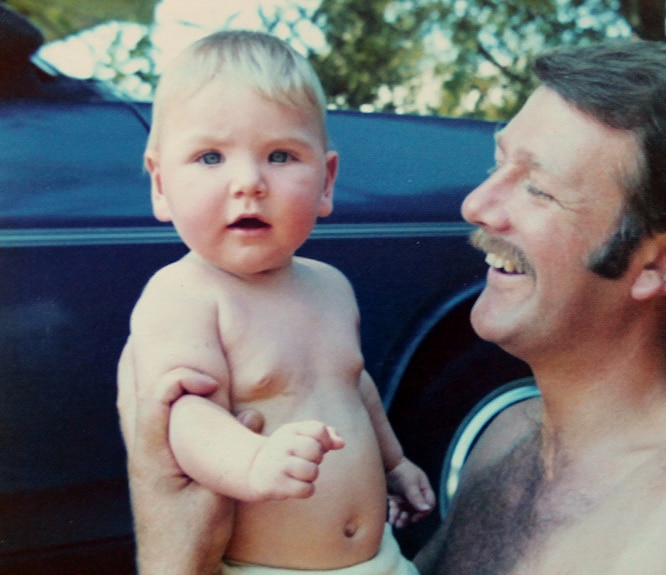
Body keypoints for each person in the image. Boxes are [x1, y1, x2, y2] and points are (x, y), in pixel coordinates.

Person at [119, 39, 666, 574]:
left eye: (536, 188)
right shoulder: (505, 438)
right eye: (497, 164)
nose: (476, 206)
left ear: (661, 261)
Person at [117, 30, 434, 575]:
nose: (249, 182)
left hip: (381, 559)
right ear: (161, 185)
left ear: (327, 181)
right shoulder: (183, 295)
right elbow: (180, 418)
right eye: (210, 156)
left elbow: (351, 386)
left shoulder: (331, 285)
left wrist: (394, 460)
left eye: (281, 155)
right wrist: (252, 461)